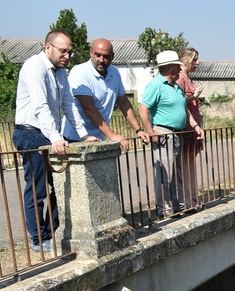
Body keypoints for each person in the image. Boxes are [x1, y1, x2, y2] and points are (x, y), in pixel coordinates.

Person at [13, 30, 97, 252]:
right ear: (48, 47)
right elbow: (40, 106)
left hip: (47, 133)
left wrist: (84, 135)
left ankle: (54, 230)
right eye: (63, 51)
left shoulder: (60, 72)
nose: (67, 56)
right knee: (37, 189)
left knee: (61, 185)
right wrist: (57, 138)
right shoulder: (35, 67)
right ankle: (39, 239)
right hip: (30, 133)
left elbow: (68, 103)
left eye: (70, 52)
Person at [138, 50, 204, 217]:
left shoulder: (176, 87)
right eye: (177, 65)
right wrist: (150, 132)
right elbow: (143, 108)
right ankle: (165, 209)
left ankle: (180, 204)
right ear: (169, 68)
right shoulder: (156, 85)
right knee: (164, 173)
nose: (180, 68)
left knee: (178, 172)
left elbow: (183, 109)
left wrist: (195, 126)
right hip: (163, 133)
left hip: (178, 133)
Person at [61, 38, 151, 151]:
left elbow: (123, 102)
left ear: (113, 56)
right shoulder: (80, 72)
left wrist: (139, 130)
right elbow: (89, 108)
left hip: (99, 138)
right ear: (91, 53)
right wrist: (112, 135)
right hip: (75, 138)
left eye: (106, 56)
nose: (101, 60)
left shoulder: (114, 72)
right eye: (97, 55)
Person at [177, 47, 204, 208]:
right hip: (187, 129)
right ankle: (187, 200)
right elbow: (179, 103)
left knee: (189, 165)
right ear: (185, 61)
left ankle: (192, 198)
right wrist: (194, 96)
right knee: (186, 166)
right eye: (194, 59)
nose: (197, 62)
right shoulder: (180, 79)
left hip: (192, 128)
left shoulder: (187, 78)